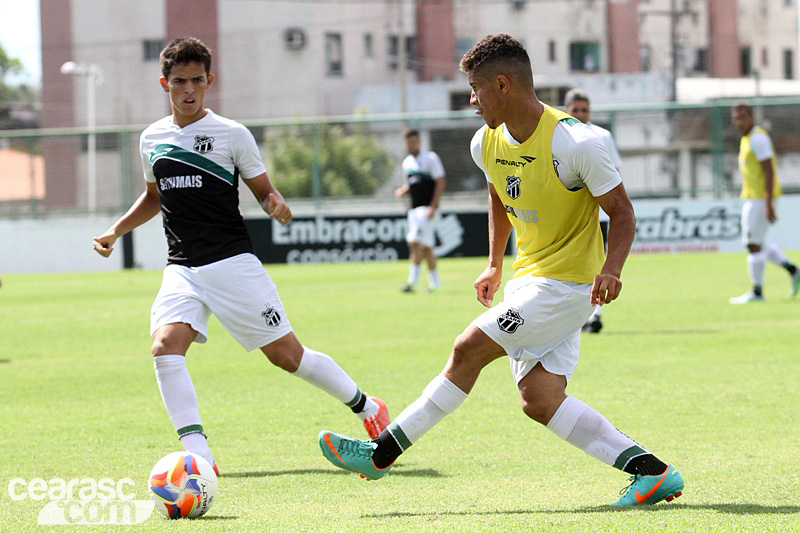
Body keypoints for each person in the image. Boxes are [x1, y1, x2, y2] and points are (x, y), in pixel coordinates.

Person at [319, 34, 683, 506]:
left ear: (504, 85)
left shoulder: (576, 142)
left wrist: (612, 269)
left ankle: (382, 452)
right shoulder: (485, 141)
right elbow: (498, 194)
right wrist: (494, 263)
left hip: (569, 287)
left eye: (475, 89)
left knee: (467, 348)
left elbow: (624, 213)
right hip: (528, 281)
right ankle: (652, 473)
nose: (471, 101)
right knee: (540, 399)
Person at [92, 37, 389, 472]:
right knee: (164, 347)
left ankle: (367, 408)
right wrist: (115, 230)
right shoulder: (151, 138)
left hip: (232, 264)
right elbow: (155, 197)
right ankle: (200, 459)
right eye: (179, 82)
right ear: (164, 84)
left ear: (210, 81)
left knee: (289, 357)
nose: (188, 90)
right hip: (182, 269)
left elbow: (266, 194)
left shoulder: (232, 134)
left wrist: (277, 206)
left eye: (197, 80)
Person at [564, 89, 623, 333]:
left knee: (597, 264)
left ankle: (594, 314)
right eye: (575, 110)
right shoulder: (559, 135)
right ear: (566, 110)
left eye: (584, 110)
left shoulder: (602, 136)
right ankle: (572, 316)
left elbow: (615, 172)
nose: (580, 114)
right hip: (568, 213)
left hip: (597, 213)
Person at [729, 102, 800, 304]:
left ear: (751, 117)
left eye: (742, 117)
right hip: (754, 197)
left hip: (761, 199)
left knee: (753, 245)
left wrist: (769, 203)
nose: (739, 122)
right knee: (755, 243)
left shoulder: (758, 139)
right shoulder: (747, 138)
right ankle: (794, 271)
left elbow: (769, 171)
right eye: (736, 118)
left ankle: (757, 292)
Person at [395, 130, 446, 293]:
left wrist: (433, 206)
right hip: (414, 209)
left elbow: (440, 182)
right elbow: (414, 184)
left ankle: (413, 282)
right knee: (425, 247)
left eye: (414, 142)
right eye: (409, 142)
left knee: (414, 242)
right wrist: (404, 190)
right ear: (405, 144)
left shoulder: (430, 158)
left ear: (419, 142)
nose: (412, 145)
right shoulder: (407, 163)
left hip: (426, 209)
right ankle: (434, 284)